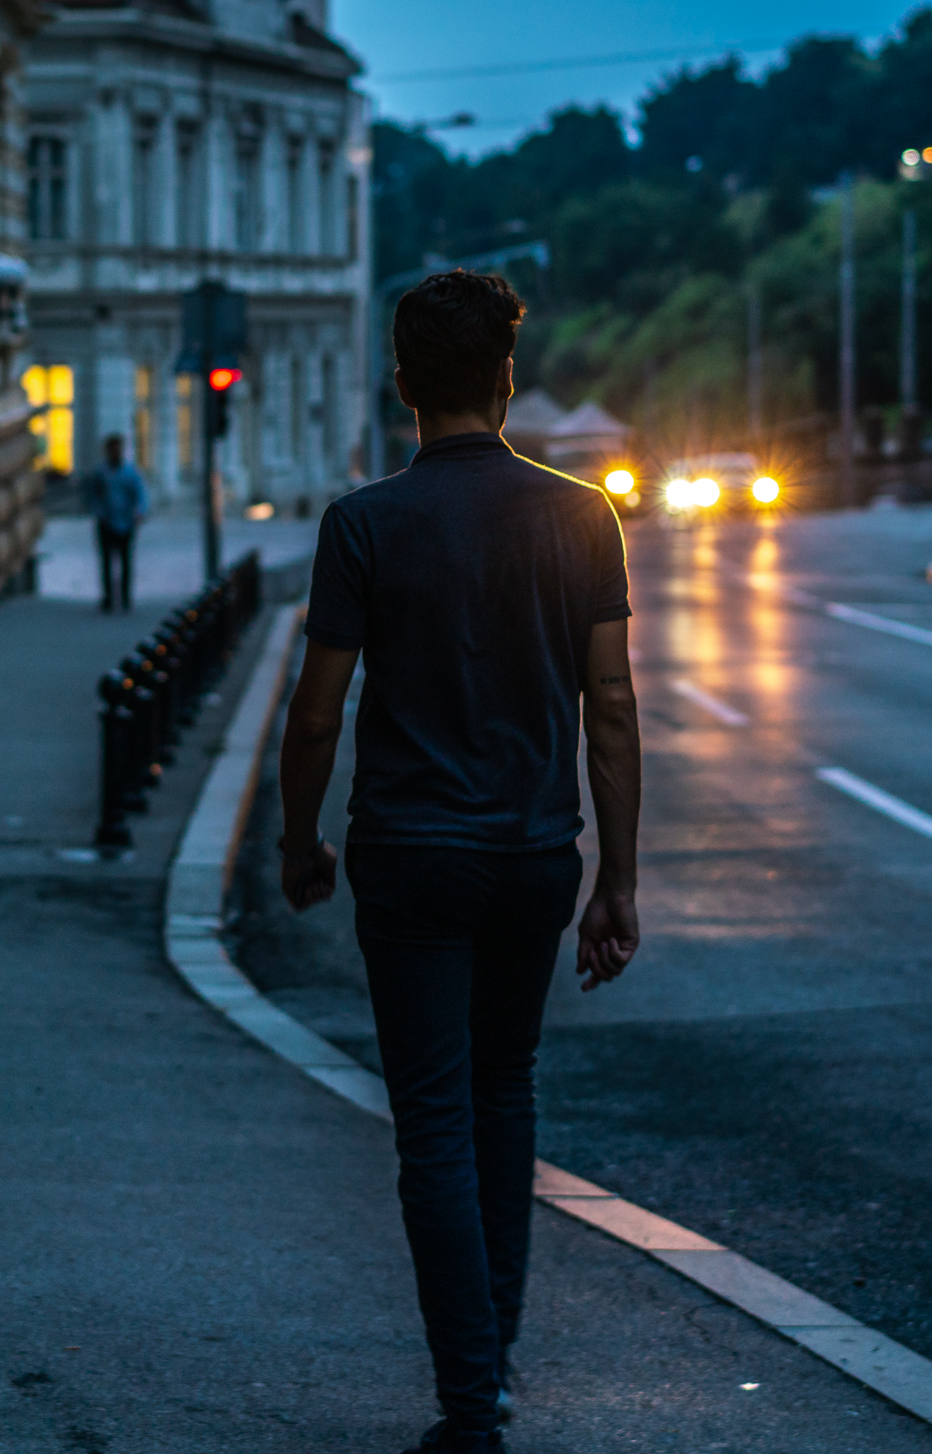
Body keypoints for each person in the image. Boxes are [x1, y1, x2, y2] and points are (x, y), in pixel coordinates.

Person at [275, 269, 644, 1454]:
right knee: (505, 1090)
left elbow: (319, 711)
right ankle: (496, 1357)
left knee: (432, 1120)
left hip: (411, 860)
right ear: (507, 378)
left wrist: (299, 839)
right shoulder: (585, 516)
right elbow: (614, 707)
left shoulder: (363, 525)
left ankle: (467, 1397)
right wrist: (615, 882)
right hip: (534, 855)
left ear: (402, 389)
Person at [84, 432, 148, 613]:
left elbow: (140, 495)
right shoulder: (101, 473)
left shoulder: (130, 473)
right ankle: (108, 598)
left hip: (126, 522)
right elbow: (92, 496)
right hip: (106, 522)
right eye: (112, 449)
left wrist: (139, 513)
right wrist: (99, 512)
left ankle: (126, 598)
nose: (116, 453)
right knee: (106, 562)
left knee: (126, 562)